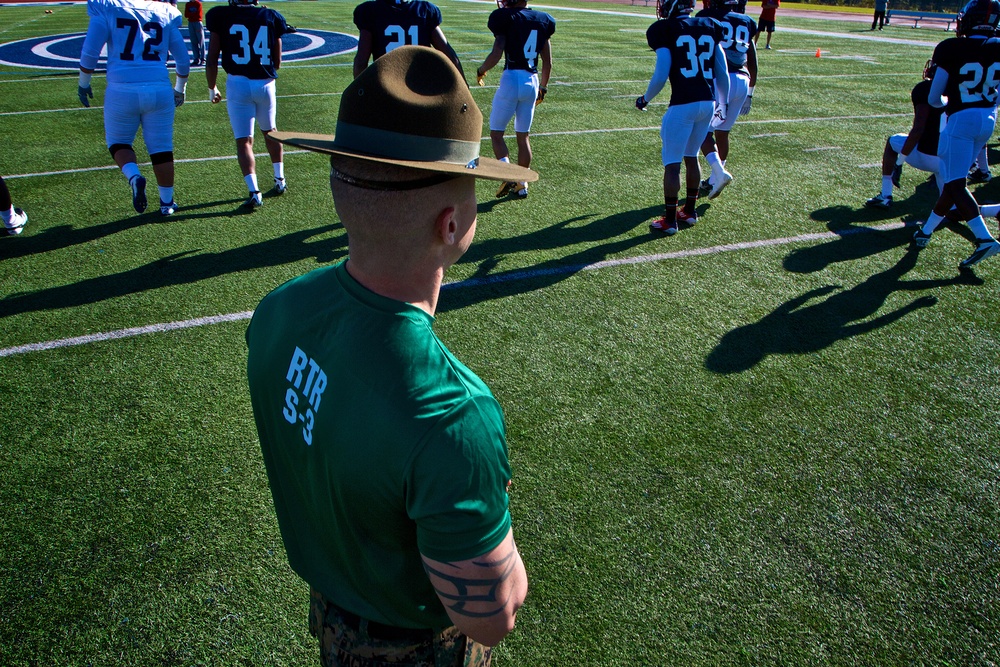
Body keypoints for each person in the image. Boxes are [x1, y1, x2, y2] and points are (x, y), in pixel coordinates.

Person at [246, 46, 532, 667]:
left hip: (334, 613)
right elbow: (492, 614)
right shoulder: (452, 417)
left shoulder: (279, 310)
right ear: (451, 223)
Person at [77, 0, 190, 217]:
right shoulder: (165, 11)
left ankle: (134, 176)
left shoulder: (108, 6)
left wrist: (84, 83)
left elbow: (90, 52)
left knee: (118, 142)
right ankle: (167, 203)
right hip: (159, 88)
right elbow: (183, 60)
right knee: (162, 148)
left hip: (122, 89)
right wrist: (180, 88)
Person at [912, 0, 1000, 268]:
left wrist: (951, 106)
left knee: (953, 184)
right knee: (954, 181)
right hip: (988, 119)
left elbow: (936, 97)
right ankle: (925, 231)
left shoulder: (951, 47)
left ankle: (985, 239)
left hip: (961, 120)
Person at [636, 0, 729, 235]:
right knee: (692, 155)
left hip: (682, 104)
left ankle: (670, 220)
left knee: (672, 164)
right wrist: (723, 103)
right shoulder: (709, 24)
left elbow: (662, 71)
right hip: (707, 102)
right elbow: (722, 71)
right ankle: (689, 211)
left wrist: (645, 98)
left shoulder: (665, 30)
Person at [205, 0, 294, 209]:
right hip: (265, 84)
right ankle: (279, 179)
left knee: (244, 141)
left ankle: (254, 191)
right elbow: (277, 63)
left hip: (238, 84)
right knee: (271, 132)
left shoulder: (221, 15)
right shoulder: (270, 16)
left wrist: (212, 87)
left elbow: (212, 58)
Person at [475, 0, 555, 200]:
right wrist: (543, 87)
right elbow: (548, 62)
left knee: (496, 134)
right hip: (532, 79)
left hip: (512, 78)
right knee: (523, 136)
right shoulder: (543, 19)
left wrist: (481, 70)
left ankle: (507, 172)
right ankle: (522, 184)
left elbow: (497, 51)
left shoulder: (504, 17)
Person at [695, 0, 757, 199]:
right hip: (743, 80)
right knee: (723, 132)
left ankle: (719, 173)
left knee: (702, 130)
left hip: (721, 79)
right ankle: (714, 179)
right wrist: (750, 93)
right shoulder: (747, 21)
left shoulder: (706, 16)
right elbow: (753, 59)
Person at [864, 59, 945, 208]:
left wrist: (899, 163)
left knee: (892, 142)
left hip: (927, 155)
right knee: (954, 208)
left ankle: (885, 195)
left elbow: (918, 130)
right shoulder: (962, 90)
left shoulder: (925, 89)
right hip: (950, 159)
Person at [352, 0, 465, 79]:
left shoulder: (370, 12)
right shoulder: (424, 11)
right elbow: (450, 56)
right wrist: (464, 88)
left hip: (386, 84)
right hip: (420, 86)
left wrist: (360, 94)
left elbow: (361, 62)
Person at [184, 0, 205, 66]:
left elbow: (198, 15)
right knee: (193, 42)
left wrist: (191, 14)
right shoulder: (188, 4)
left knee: (201, 41)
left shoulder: (198, 3)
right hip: (191, 23)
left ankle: (203, 58)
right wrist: (192, 14)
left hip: (197, 22)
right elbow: (186, 15)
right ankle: (196, 58)